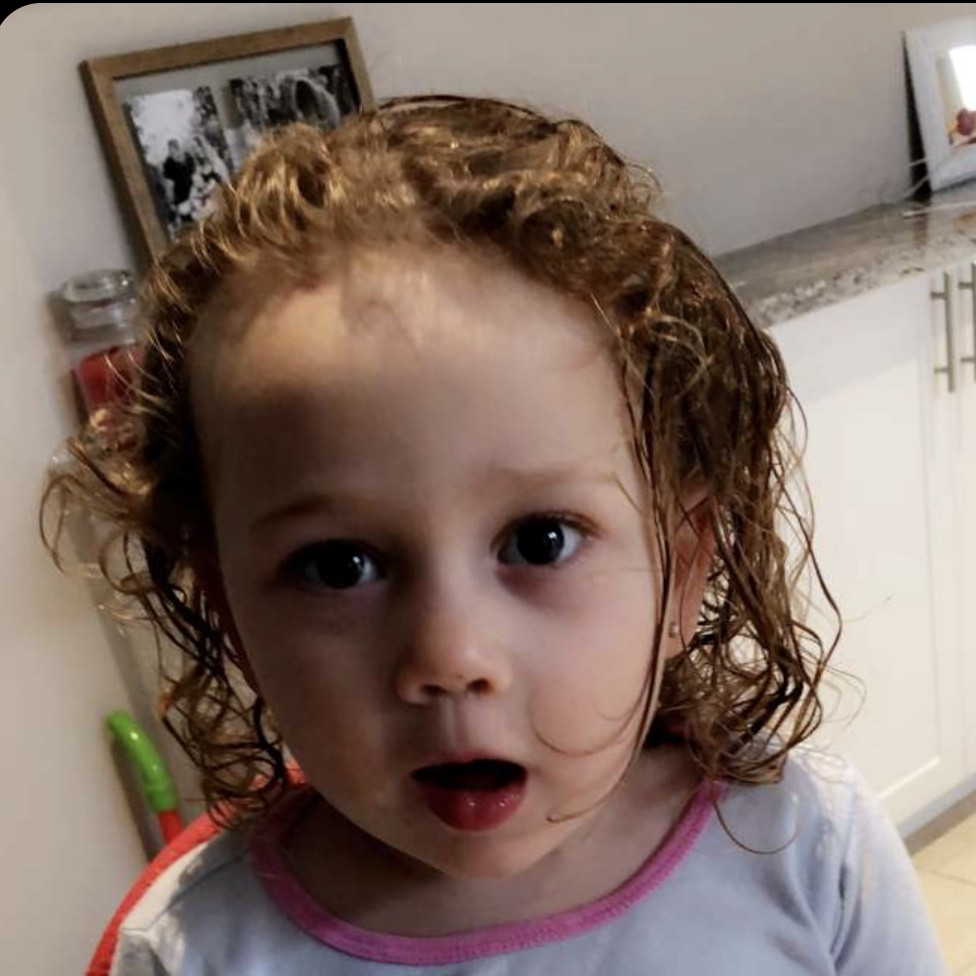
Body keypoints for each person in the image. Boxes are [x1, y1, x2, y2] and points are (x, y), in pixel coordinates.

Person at [44, 96, 947, 975]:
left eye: (541, 541)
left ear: (681, 568)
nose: (450, 656)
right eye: (338, 565)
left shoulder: (805, 849)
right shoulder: (193, 952)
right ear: (229, 610)